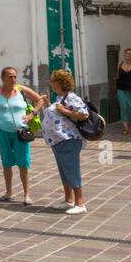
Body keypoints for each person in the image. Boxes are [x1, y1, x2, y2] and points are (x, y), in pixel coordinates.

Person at [0, 66, 44, 205]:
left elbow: (40, 100)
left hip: (20, 132)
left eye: (15, 76)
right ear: (3, 78)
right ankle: (8, 192)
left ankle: (27, 194)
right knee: (7, 162)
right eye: (10, 76)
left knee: (23, 162)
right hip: (2, 131)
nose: (13, 79)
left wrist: (32, 113)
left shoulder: (21, 90)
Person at [33, 68, 90, 215]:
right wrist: (48, 104)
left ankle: (80, 203)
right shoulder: (60, 98)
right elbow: (57, 116)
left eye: (52, 81)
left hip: (68, 140)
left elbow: (84, 114)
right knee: (64, 171)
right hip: (58, 141)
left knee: (72, 170)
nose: (50, 83)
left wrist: (64, 111)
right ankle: (68, 200)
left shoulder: (71, 97)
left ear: (60, 82)